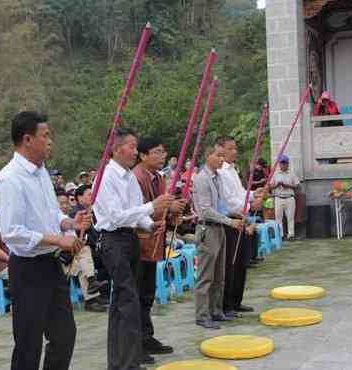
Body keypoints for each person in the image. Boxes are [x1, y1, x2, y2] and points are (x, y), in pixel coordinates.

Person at [0, 111, 89, 370]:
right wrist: (58, 240)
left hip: (49, 264)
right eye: (45, 136)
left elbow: (48, 212)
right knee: (28, 343)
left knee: (64, 335)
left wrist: (68, 223)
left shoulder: (41, 172)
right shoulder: (10, 179)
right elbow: (12, 233)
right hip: (27, 269)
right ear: (27, 139)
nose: (50, 141)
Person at [93, 127, 173, 370]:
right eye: (131, 146)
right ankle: (127, 362)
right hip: (113, 241)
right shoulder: (105, 177)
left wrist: (150, 225)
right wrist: (152, 206)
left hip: (130, 239)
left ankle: (121, 362)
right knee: (128, 301)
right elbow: (116, 217)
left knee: (125, 301)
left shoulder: (127, 177)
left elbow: (136, 213)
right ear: (116, 148)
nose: (135, 151)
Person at [132, 137, 185, 359]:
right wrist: (166, 207)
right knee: (135, 296)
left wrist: (174, 213)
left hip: (154, 242)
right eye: (156, 151)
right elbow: (138, 210)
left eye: (163, 152)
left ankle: (146, 337)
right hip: (138, 243)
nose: (162, 156)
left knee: (147, 294)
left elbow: (162, 209)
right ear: (143, 155)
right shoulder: (136, 177)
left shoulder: (159, 177)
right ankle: (135, 344)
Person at [192, 144, 243, 330]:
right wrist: (230, 222)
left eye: (223, 156)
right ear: (208, 156)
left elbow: (221, 204)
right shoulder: (201, 179)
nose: (222, 159)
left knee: (219, 274)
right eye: (218, 155)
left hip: (220, 227)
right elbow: (205, 210)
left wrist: (237, 213)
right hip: (207, 230)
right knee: (206, 275)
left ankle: (216, 310)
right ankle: (202, 315)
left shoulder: (218, 178)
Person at [216, 136, 263, 318]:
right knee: (230, 264)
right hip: (230, 220)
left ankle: (236, 301)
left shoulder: (233, 170)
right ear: (221, 149)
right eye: (230, 148)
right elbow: (228, 201)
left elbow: (240, 194)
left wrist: (252, 195)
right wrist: (251, 206)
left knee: (242, 262)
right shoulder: (220, 173)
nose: (234, 151)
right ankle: (227, 304)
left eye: (235, 148)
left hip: (240, 219)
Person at [58, 189, 105, 312]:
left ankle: (91, 287)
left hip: (71, 257)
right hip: (58, 260)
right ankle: (91, 294)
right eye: (61, 203)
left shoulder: (70, 220)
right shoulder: (50, 221)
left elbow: (75, 240)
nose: (65, 206)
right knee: (84, 260)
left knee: (83, 256)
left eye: (66, 203)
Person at [271, 155, 300, 240]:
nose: (283, 165)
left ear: (288, 164)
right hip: (278, 197)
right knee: (278, 218)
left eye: (285, 163)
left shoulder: (292, 174)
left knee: (290, 217)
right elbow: (270, 187)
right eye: (282, 163)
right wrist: (277, 185)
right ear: (279, 164)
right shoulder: (275, 174)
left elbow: (298, 186)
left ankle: (291, 235)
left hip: (289, 197)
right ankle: (280, 235)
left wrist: (287, 185)